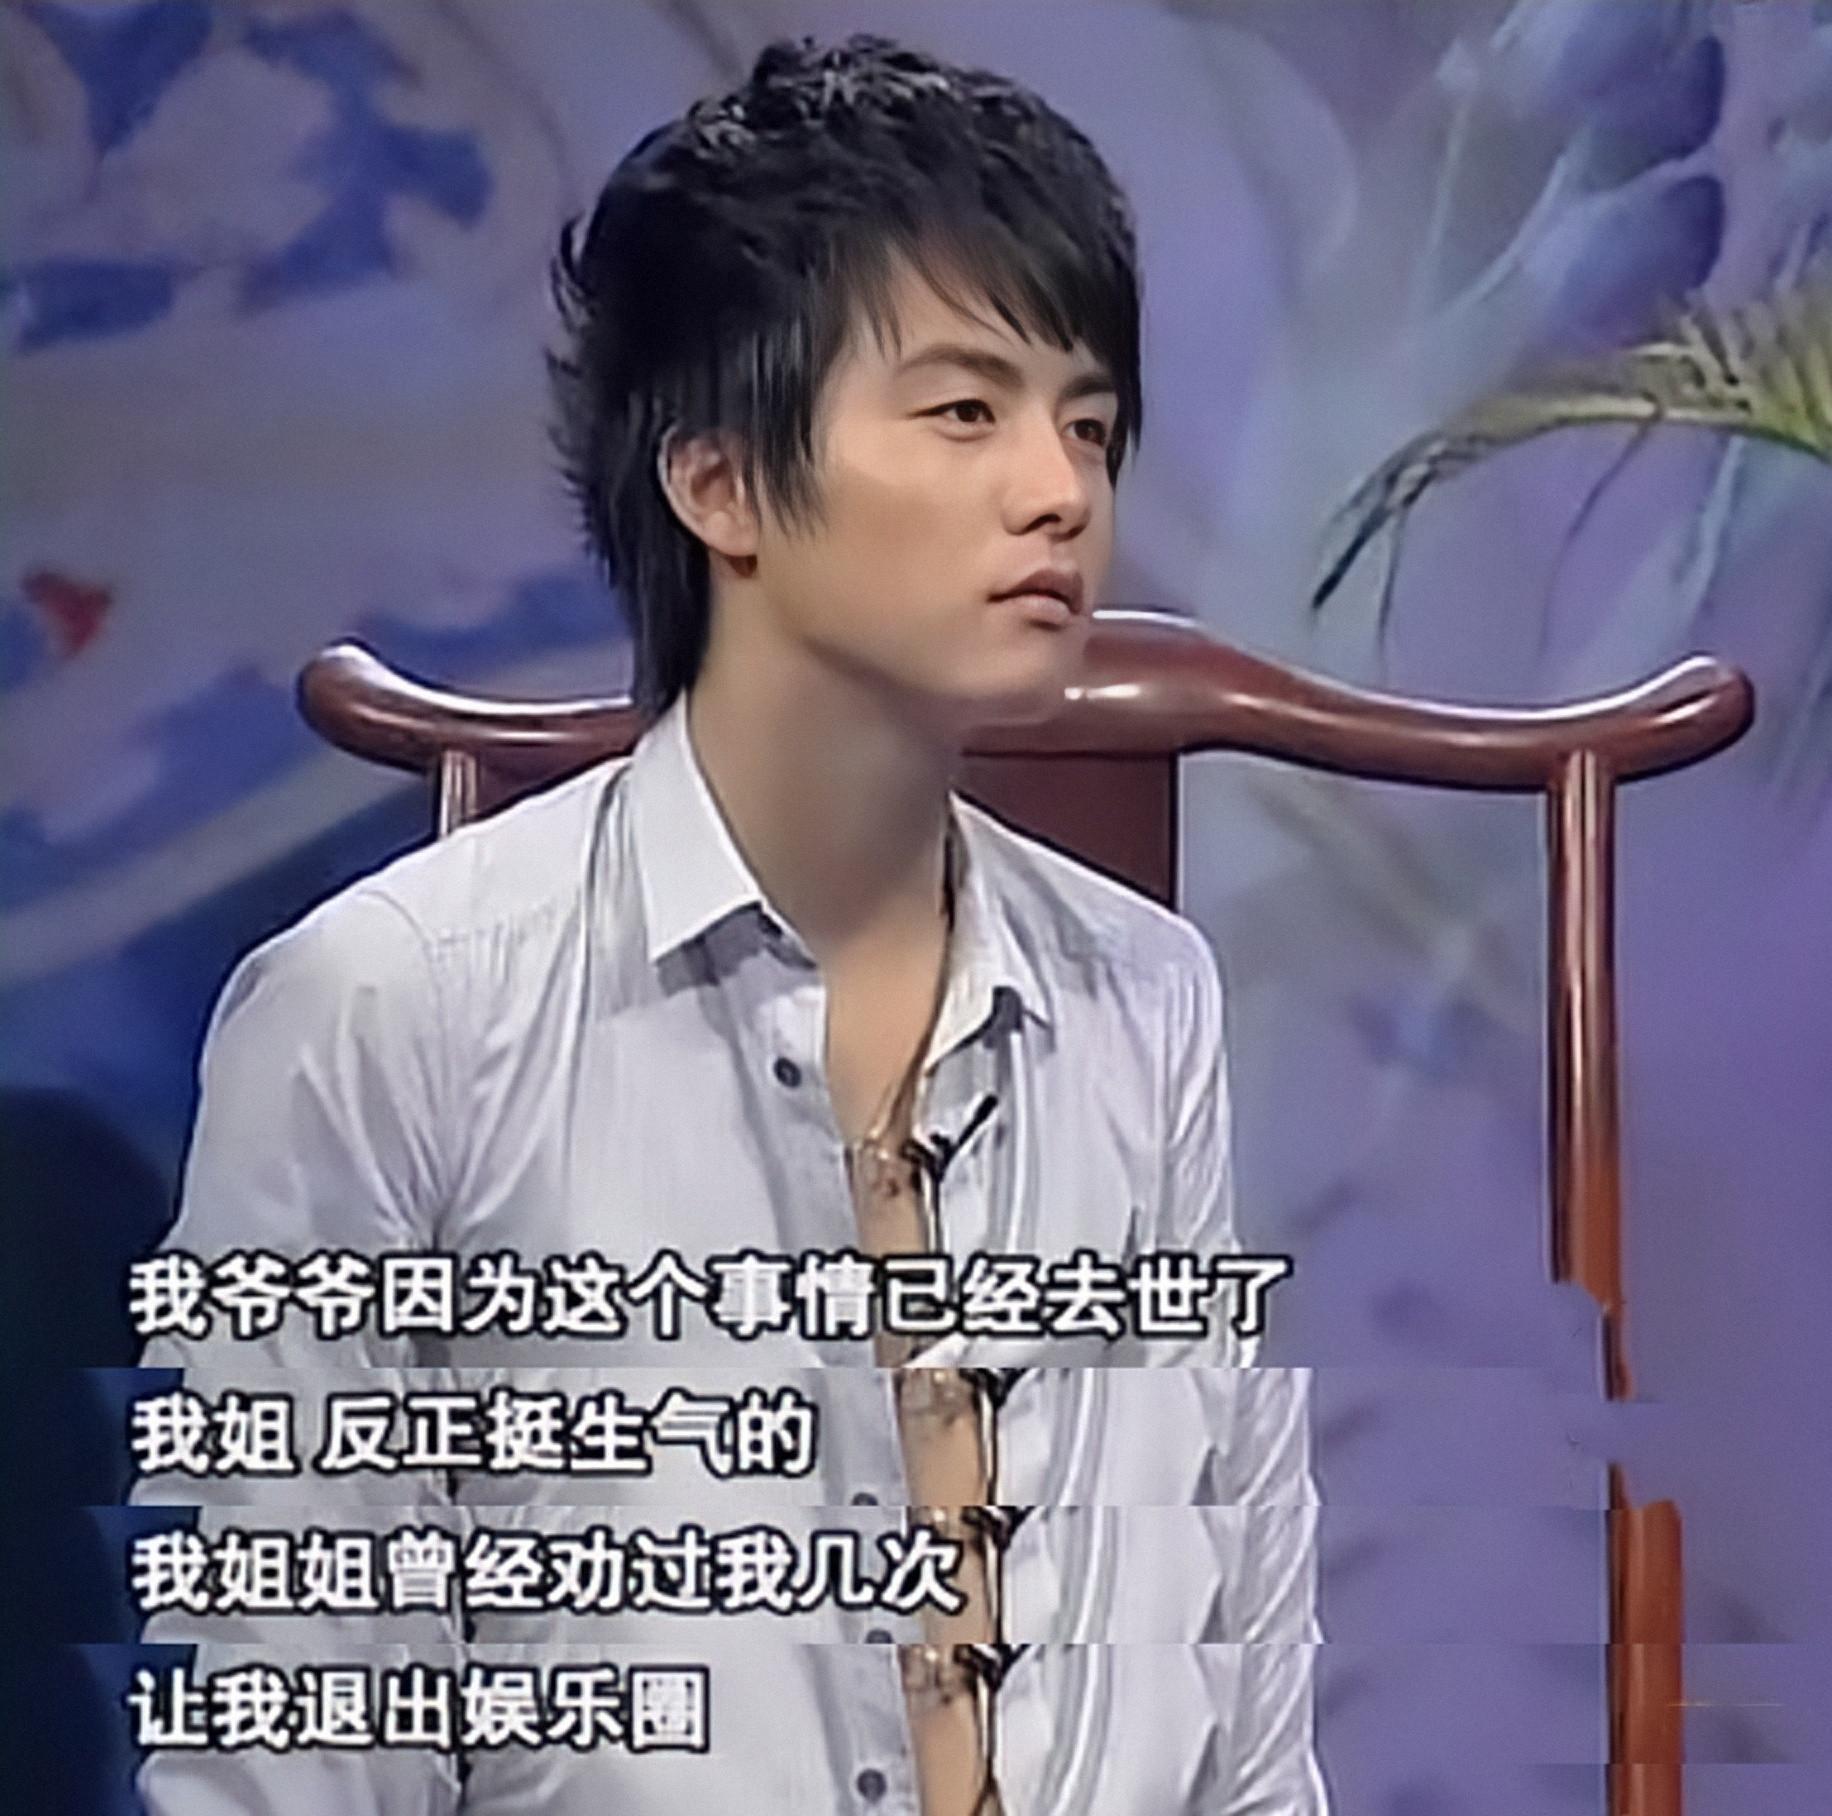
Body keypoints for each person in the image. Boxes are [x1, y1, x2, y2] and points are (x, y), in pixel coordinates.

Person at [132, 34, 1327, 1815]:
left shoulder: (1144, 998)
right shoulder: (381, 1013)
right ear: (719, 484)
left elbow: (1236, 1690)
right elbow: (287, 1755)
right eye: (964, 412)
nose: (1061, 489)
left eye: (1086, 423)